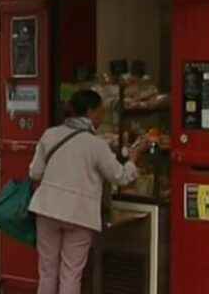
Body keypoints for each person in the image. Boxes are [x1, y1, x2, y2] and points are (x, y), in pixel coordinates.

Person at [28, 89, 142, 294]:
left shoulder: (50, 134)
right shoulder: (96, 145)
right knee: (71, 274)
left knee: (47, 272)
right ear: (90, 112)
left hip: (47, 210)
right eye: (100, 112)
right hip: (79, 214)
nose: (102, 117)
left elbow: (35, 173)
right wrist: (133, 160)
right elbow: (120, 176)